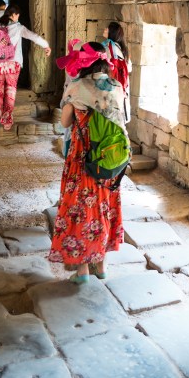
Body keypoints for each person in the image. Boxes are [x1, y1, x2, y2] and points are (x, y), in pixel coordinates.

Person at [49, 41, 127, 283]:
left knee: (80, 209)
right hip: (110, 156)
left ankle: (82, 270)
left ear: (83, 63)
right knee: (104, 206)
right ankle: (101, 266)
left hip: (82, 157)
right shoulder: (116, 86)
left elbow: (64, 123)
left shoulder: (76, 87)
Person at [0, 3, 51, 131]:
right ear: (14, 15)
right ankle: (7, 121)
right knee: (10, 92)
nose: (18, 18)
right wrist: (46, 45)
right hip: (12, 64)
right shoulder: (18, 27)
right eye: (17, 16)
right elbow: (34, 37)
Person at [102, 21, 132, 123]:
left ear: (112, 32)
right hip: (122, 88)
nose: (105, 29)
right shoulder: (123, 49)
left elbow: (105, 67)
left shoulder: (109, 47)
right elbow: (129, 68)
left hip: (111, 87)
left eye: (107, 28)